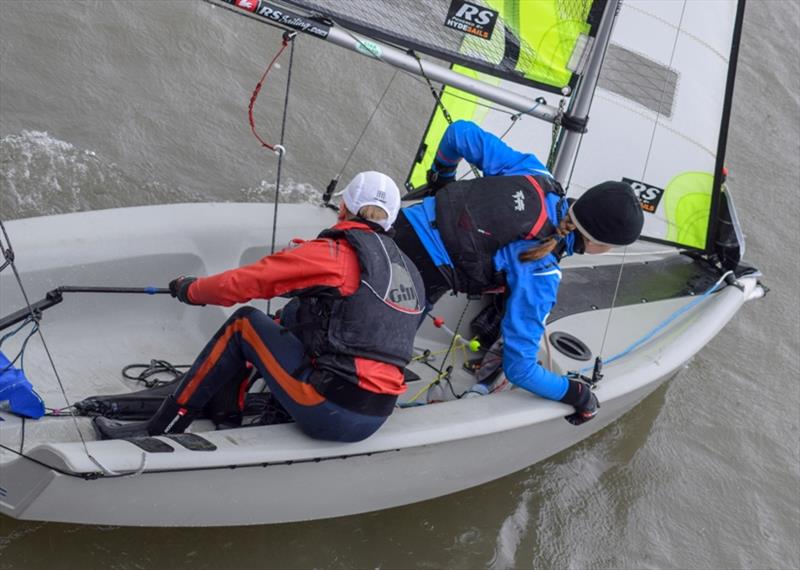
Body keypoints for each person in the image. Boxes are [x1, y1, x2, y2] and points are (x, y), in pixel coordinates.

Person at [94, 171, 425, 442]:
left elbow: (245, 283)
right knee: (290, 316)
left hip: (329, 409)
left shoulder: (334, 255)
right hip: (375, 417)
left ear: (343, 208)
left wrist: (190, 290)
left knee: (244, 324)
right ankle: (226, 413)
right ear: (391, 219)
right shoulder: (408, 271)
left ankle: (162, 427)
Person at [392, 120, 644, 423]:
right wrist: (578, 395)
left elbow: (459, 133)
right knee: (380, 379)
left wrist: (442, 178)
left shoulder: (536, 174)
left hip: (391, 228)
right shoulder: (542, 272)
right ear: (599, 244)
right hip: (409, 281)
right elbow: (520, 369)